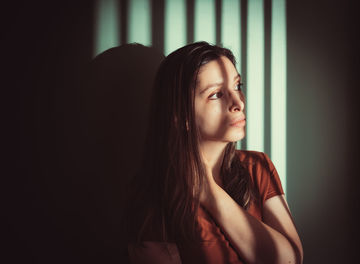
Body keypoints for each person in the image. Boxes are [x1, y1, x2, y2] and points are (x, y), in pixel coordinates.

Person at [125, 42, 303, 264]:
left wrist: (207, 190)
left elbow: (289, 260)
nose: (239, 102)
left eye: (238, 86)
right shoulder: (154, 193)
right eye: (217, 94)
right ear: (182, 116)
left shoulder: (257, 167)